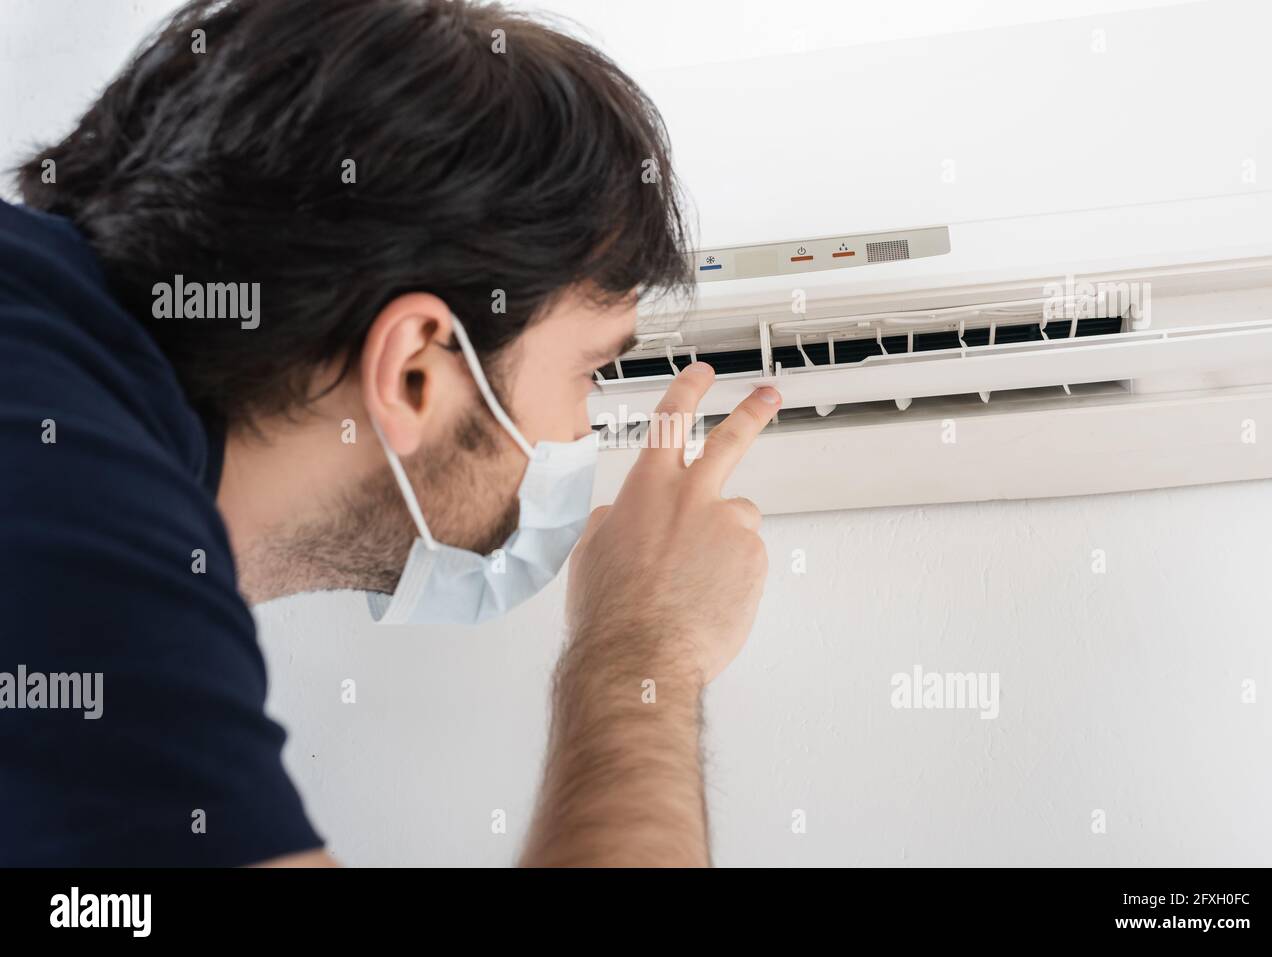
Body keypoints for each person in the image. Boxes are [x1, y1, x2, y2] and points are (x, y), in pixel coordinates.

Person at [0, 0, 779, 866]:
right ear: (415, 369)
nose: (582, 428)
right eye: (589, 371)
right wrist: (643, 651)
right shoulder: (73, 530)